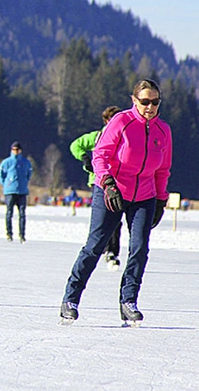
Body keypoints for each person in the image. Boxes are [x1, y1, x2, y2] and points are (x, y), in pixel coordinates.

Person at [60, 79, 172, 325]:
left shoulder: (163, 131)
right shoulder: (121, 122)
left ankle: (128, 301)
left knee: (139, 248)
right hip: (111, 190)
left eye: (155, 102)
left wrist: (161, 200)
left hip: (144, 195)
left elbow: (162, 169)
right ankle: (71, 298)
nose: (150, 107)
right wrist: (108, 183)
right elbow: (100, 154)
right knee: (96, 245)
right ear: (134, 101)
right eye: (145, 102)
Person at [70, 106, 123, 268]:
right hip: (99, 182)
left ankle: (112, 251)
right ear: (107, 121)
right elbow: (75, 145)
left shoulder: (125, 137)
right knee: (101, 220)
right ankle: (96, 250)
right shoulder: (97, 137)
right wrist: (85, 158)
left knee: (116, 219)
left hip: (119, 182)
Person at [0, 141, 33, 243]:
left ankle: (22, 235)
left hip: (22, 191)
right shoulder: (6, 162)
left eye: (17, 150)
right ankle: (9, 233)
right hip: (10, 191)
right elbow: (1, 175)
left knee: (22, 214)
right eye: (14, 150)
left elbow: (29, 174)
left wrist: (25, 182)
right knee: (9, 213)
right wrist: (6, 184)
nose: (16, 151)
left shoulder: (26, 162)